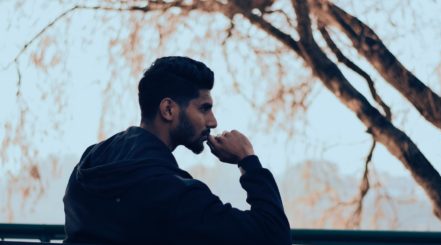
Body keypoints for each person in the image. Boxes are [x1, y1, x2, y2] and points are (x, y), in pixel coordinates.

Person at [63, 56, 291, 244]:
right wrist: (248, 160)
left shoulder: (89, 163)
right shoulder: (171, 192)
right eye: (204, 108)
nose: (213, 122)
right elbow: (273, 235)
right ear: (169, 109)